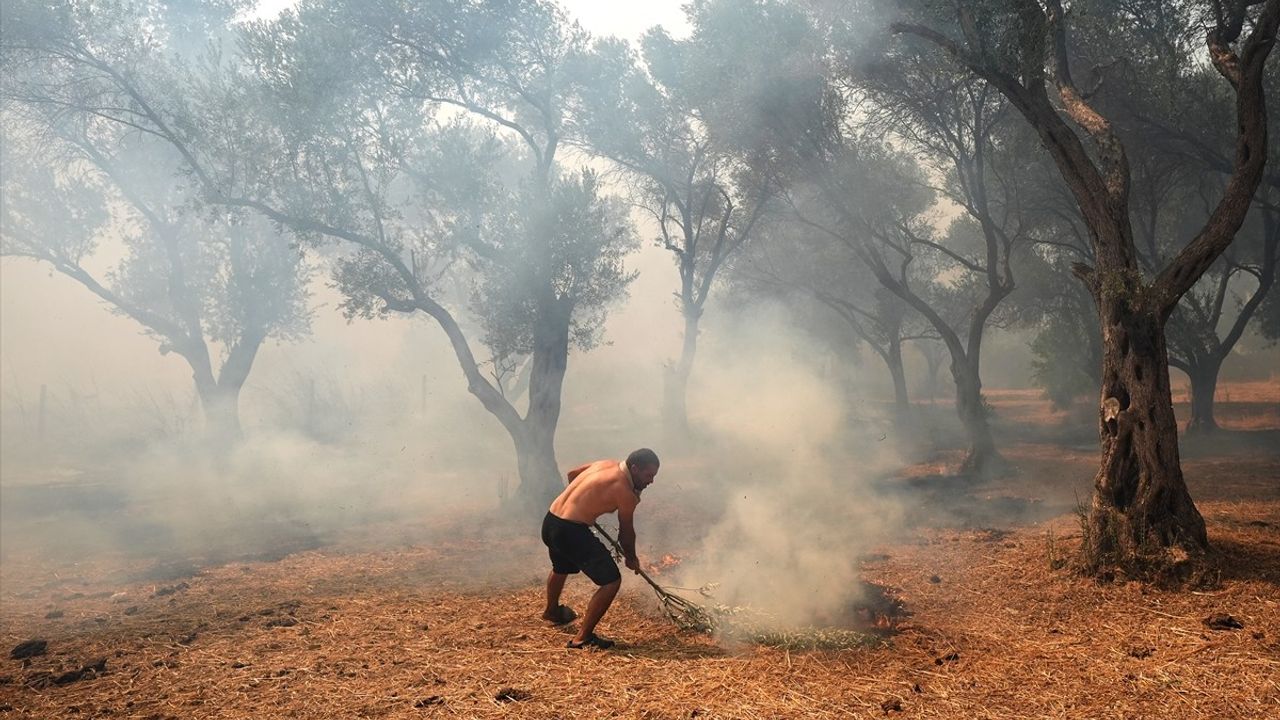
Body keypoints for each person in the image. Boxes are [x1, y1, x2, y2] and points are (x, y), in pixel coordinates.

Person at [540, 448, 660, 649]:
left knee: (561, 567)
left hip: (552, 521)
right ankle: (582, 638)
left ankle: (552, 611)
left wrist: (584, 503)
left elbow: (572, 475)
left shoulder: (606, 464)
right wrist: (631, 558)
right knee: (611, 581)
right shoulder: (626, 491)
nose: (651, 481)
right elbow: (626, 533)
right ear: (635, 468)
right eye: (648, 475)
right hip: (570, 531)